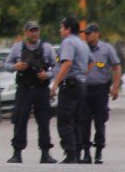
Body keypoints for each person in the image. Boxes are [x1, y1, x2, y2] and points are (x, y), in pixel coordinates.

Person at [3, 21, 58, 164]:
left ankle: (45, 153)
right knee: (20, 121)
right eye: (31, 31)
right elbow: (6, 65)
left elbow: (56, 66)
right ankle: (17, 153)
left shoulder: (46, 47)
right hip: (24, 89)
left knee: (44, 120)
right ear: (26, 32)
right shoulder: (17, 48)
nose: (34, 33)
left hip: (41, 89)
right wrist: (15, 66)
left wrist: (48, 75)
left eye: (36, 30)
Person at [50, 16, 92, 163]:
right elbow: (90, 63)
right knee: (77, 119)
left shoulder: (68, 42)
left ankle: (70, 153)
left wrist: (56, 83)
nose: (60, 30)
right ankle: (77, 152)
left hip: (70, 86)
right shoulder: (82, 43)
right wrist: (81, 74)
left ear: (68, 29)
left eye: (62, 27)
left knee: (64, 119)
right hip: (81, 84)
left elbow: (67, 63)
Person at [79, 23, 121, 164]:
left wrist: (115, 87)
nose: (87, 36)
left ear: (97, 34)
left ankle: (98, 152)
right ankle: (86, 152)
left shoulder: (106, 49)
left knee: (100, 121)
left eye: (89, 33)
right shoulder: (82, 49)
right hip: (85, 89)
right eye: (86, 33)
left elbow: (116, 67)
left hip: (101, 90)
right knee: (84, 121)